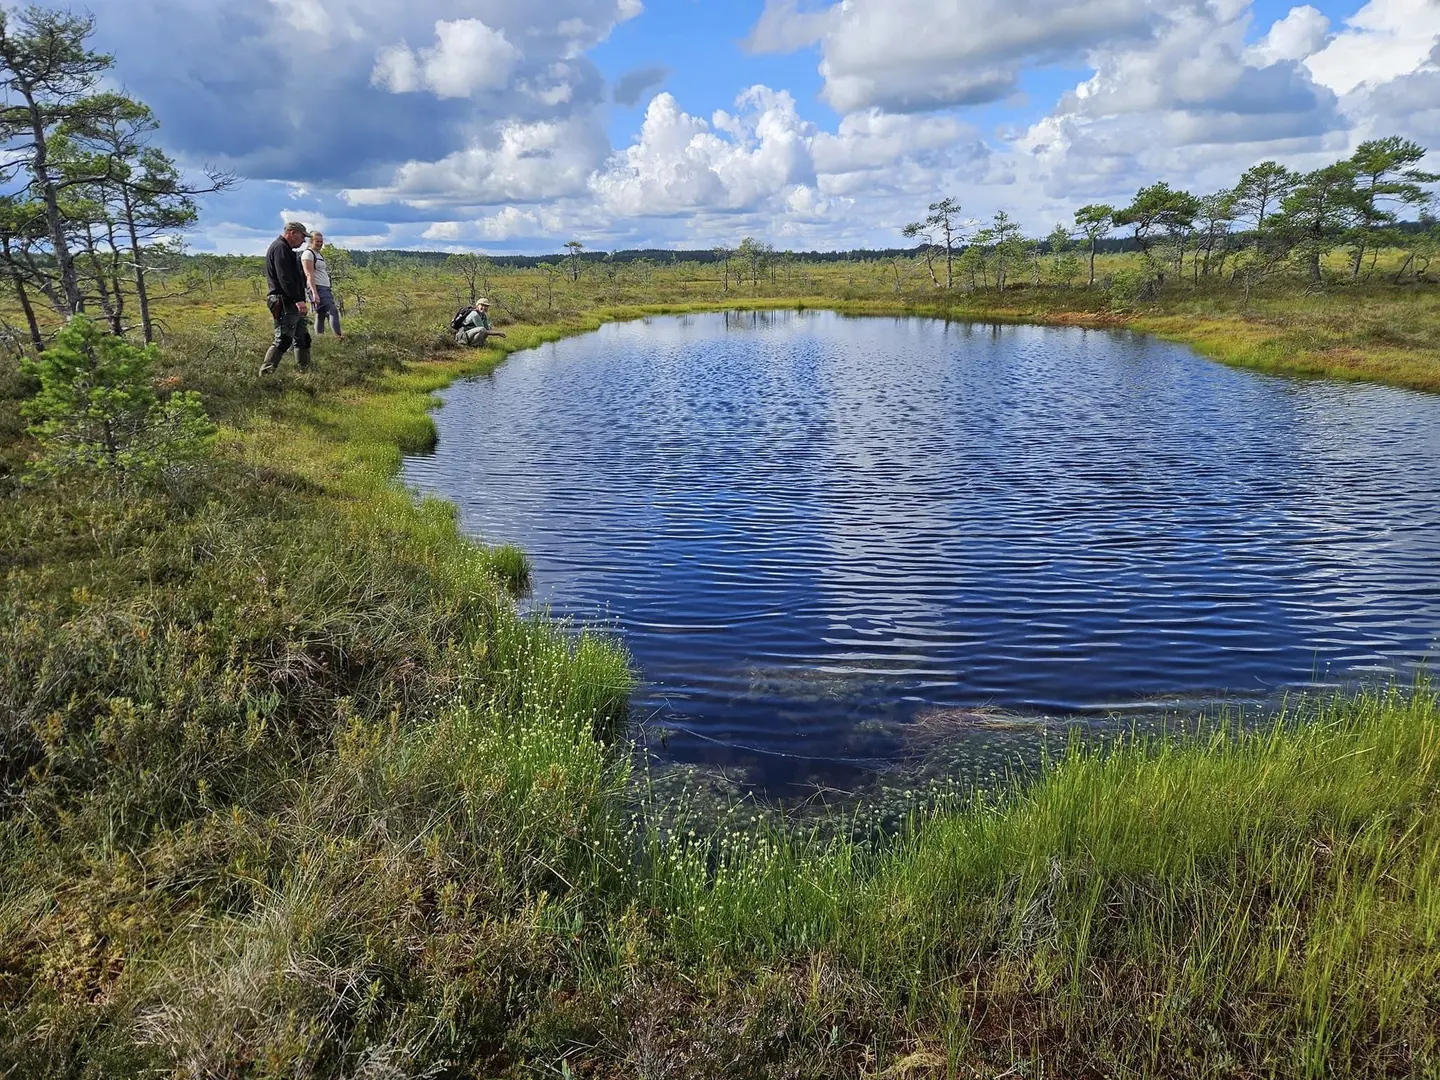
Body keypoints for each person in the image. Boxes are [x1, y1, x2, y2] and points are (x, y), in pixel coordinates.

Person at [260, 221, 311, 375]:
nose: (303, 241)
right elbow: (285, 278)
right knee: (282, 339)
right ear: (292, 232)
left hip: (291, 302)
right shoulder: (280, 248)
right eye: (302, 236)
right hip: (284, 301)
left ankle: (304, 371)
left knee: (302, 337)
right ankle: (266, 375)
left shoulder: (286, 249)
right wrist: (298, 300)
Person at [301, 230, 342, 340]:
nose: (319, 243)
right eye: (317, 241)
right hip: (317, 287)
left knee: (321, 313)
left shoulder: (318, 254)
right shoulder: (308, 254)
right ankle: (339, 337)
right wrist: (314, 293)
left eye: (321, 241)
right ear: (311, 241)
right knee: (332, 310)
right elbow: (309, 274)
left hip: (325, 287)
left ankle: (320, 340)